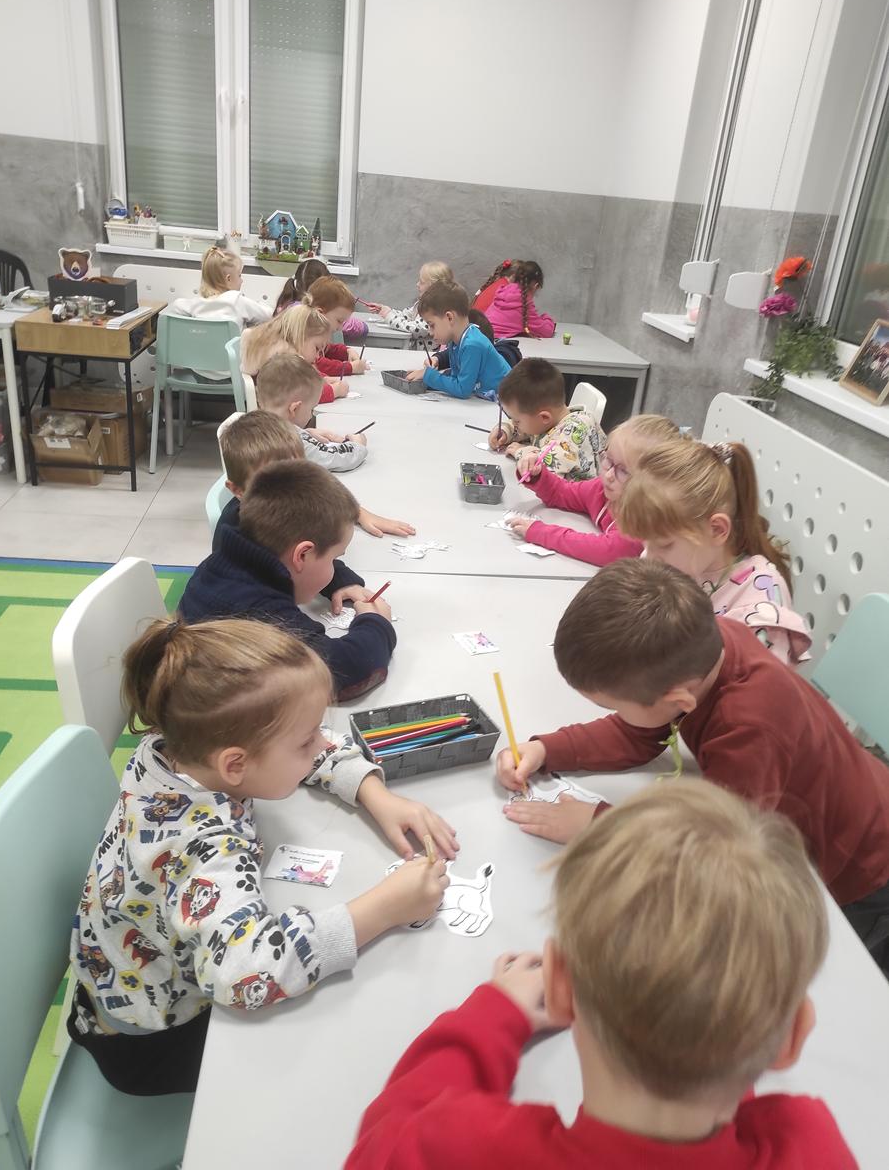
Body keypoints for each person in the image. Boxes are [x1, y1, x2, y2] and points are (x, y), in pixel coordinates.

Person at [346, 778, 856, 1169]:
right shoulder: (813, 1148)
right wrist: (727, 1032)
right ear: (791, 1036)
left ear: (559, 987)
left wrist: (494, 1013)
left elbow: (385, 1139)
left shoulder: (470, 1151)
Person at [68, 618, 454, 1096]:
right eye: (307, 741)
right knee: (343, 1066)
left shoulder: (174, 751)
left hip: (120, 983)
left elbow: (299, 747)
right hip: (150, 1044)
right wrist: (385, 908)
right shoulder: (201, 848)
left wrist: (376, 794)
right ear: (236, 764)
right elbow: (247, 973)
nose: (320, 745)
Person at [497, 559, 889, 979]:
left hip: (862, 868)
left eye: (612, 705)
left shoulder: (749, 729)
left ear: (679, 701)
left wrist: (599, 825)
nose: (613, 713)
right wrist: (547, 748)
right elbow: (638, 731)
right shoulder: (706, 648)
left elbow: (715, 849)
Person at [180, 459, 396, 700]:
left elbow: (300, 554)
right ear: (302, 555)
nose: (333, 566)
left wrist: (342, 581)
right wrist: (376, 622)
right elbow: (347, 671)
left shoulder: (232, 554)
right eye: (334, 558)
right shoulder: (259, 612)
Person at [617, 438, 810, 666]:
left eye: (664, 544)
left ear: (717, 530)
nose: (647, 557)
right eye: (644, 543)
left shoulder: (762, 612)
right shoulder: (686, 561)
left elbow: (760, 686)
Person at [218, 388, 414, 538]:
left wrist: (356, 512)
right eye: (272, 484)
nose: (293, 490)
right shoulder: (239, 536)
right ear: (237, 491)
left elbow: (319, 493)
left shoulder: (287, 496)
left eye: (299, 474)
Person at [505, 413, 680, 564]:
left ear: (655, 482)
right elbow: (562, 493)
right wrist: (538, 475)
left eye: (624, 471)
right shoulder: (602, 488)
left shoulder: (645, 521)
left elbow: (605, 551)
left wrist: (541, 532)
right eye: (608, 459)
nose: (609, 474)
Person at [490, 357, 605, 480]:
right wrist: (506, 430)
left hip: (576, 491)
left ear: (544, 417)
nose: (514, 423)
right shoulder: (548, 420)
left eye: (517, 421)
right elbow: (530, 429)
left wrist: (521, 451)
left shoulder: (573, 432)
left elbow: (543, 468)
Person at [172, 247, 272, 378]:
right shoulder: (238, 301)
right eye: (240, 275)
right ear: (228, 279)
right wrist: (260, 303)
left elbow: (176, 305)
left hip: (200, 371)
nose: (242, 280)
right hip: (233, 373)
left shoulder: (197, 304)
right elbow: (268, 314)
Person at [405, 282, 511, 400]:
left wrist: (428, 376)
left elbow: (462, 389)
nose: (430, 332)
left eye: (432, 325)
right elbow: (456, 378)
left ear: (449, 317)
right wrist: (424, 378)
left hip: (506, 402)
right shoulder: (457, 340)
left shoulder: (472, 344)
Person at [241, 304, 349, 404]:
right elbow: (305, 398)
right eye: (317, 348)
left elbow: (305, 379)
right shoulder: (284, 361)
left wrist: (323, 379)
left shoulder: (273, 348)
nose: (317, 356)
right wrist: (335, 390)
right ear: (300, 336)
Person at [275, 258, 369, 341]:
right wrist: (364, 327)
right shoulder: (307, 314)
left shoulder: (287, 305)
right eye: (339, 321)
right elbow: (352, 326)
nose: (339, 326)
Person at [365, 261, 454, 347]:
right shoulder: (422, 303)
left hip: (425, 355)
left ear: (434, 287)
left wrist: (388, 315)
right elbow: (406, 315)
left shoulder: (436, 310)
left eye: (421, 282)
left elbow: (414, 329)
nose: (417, 284)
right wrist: (384, 310)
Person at [484, 260, 556, 340]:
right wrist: (546, 318)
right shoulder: (524, 304)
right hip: (494, 342)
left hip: (483, 335)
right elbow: (546, 331)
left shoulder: (503, 292)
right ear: (535, 286)